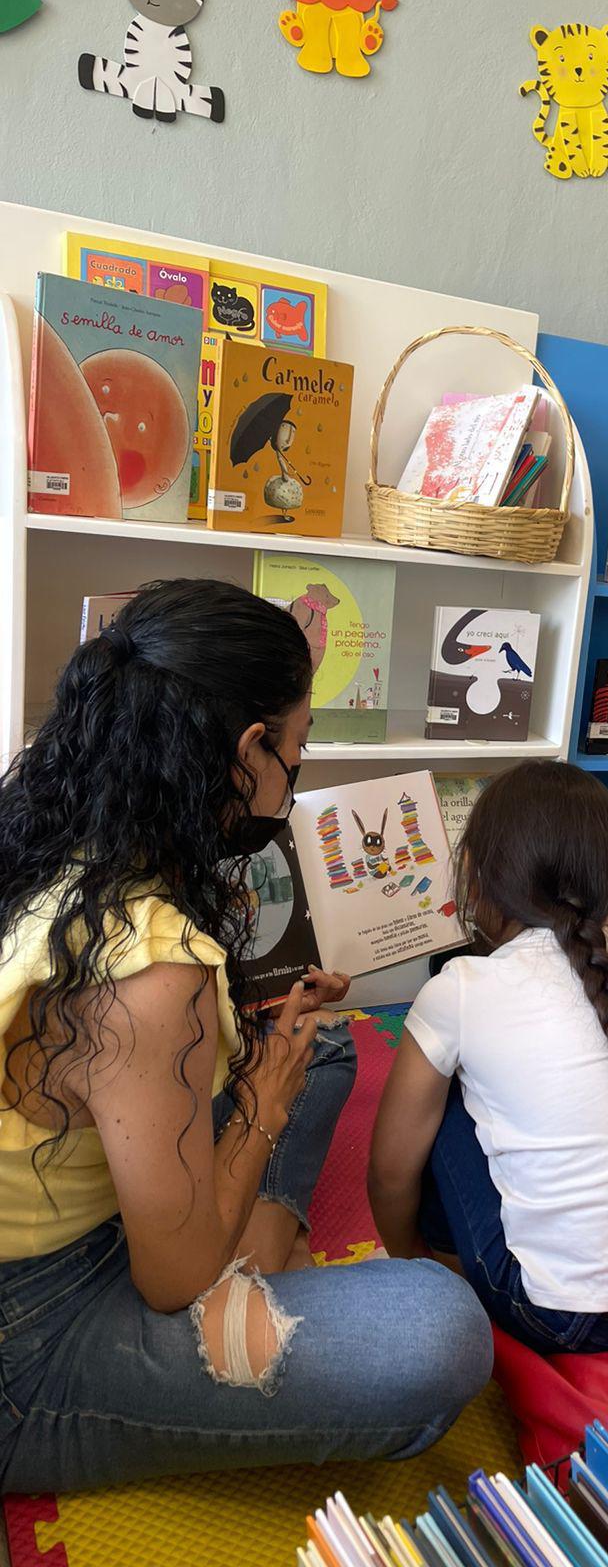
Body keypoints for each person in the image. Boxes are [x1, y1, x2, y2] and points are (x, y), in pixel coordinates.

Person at [0, 580, 491, 1495]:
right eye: (297, 747)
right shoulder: (152, 970)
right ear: (245, 750)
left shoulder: (46, 829)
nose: (296, 775)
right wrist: (264, 1096)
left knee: (329, 1048)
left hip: (77, 1205)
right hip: (33, 1335)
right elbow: (172, 1281)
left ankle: (256, 1247)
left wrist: (266, 1057)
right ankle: (257, 1254)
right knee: (437, 1326)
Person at [368, 761, 608, 1355]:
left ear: (476, 873)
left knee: (436, 1097)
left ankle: (440, 1277)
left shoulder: (460, 987)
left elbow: (389, 1174)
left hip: (577, 1317)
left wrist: (406, 1261)